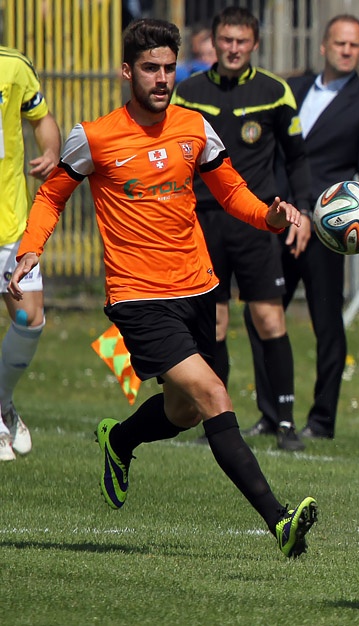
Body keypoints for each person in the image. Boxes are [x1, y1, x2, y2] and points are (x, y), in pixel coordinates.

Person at [8, 18, 317, 557]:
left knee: (184, 411)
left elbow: (232, 193)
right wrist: (32, 246)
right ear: (127, 71)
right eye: (150, 68)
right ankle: (280, 521)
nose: (162, 78)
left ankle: (119, 439)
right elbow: (52, 195)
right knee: (215, 394)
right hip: (138, 297)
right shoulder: (95, 136)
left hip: (197, 286)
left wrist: (271, 217)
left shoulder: (195, 128)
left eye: (170, 68)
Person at [243, 13, 359, 441]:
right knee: (261, 317)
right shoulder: (293, 90)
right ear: (324, 46)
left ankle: (321, 422)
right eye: (340, 43)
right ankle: (271, 416)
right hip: (277, 220)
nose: (347, 50)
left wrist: (317, 213)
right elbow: (277, 153)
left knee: (327, 325)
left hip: (325, 233)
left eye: (355, 45)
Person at [172, 6, 311, 451]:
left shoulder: (274, 91)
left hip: (256, 220)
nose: (233, 48)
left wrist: (301, 211)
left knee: (269, 319)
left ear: (254, 44)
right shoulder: (187, 91)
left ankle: (285, 424)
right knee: (212, 324)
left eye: (241, 41)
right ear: (214, 42)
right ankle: (219, 420)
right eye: (226, 40)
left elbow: (297, 157)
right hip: (204, 221)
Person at [0, 46, 61, 461]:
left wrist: (52, 151)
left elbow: (43, 120)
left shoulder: (14, 65)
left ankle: (2, 401)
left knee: (29, 318)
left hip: (10, 220)